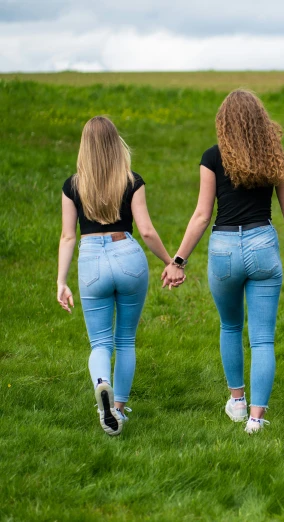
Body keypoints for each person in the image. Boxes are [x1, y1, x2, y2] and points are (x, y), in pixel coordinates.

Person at [161, 89, 284, 435]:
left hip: (224, 247)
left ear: (223, 123)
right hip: (263, 244)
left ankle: (237, 401)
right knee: (262, 339)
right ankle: (257, 420)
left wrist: (178, 260)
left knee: (230, 326)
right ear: (261, 121)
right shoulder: (274, 155)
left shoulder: (212, 157)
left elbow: (202, 215)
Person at [57, 116, 174, 436]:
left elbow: (68, 237)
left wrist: (61, 281)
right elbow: (147, 231)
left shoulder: (73, 185)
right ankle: (118, 410)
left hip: (92, 260)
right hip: (128, 257)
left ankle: (101, 385)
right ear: (115, 144)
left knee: (100, 342)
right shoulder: (132, 180)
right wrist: (171, 261)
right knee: (125, 340)